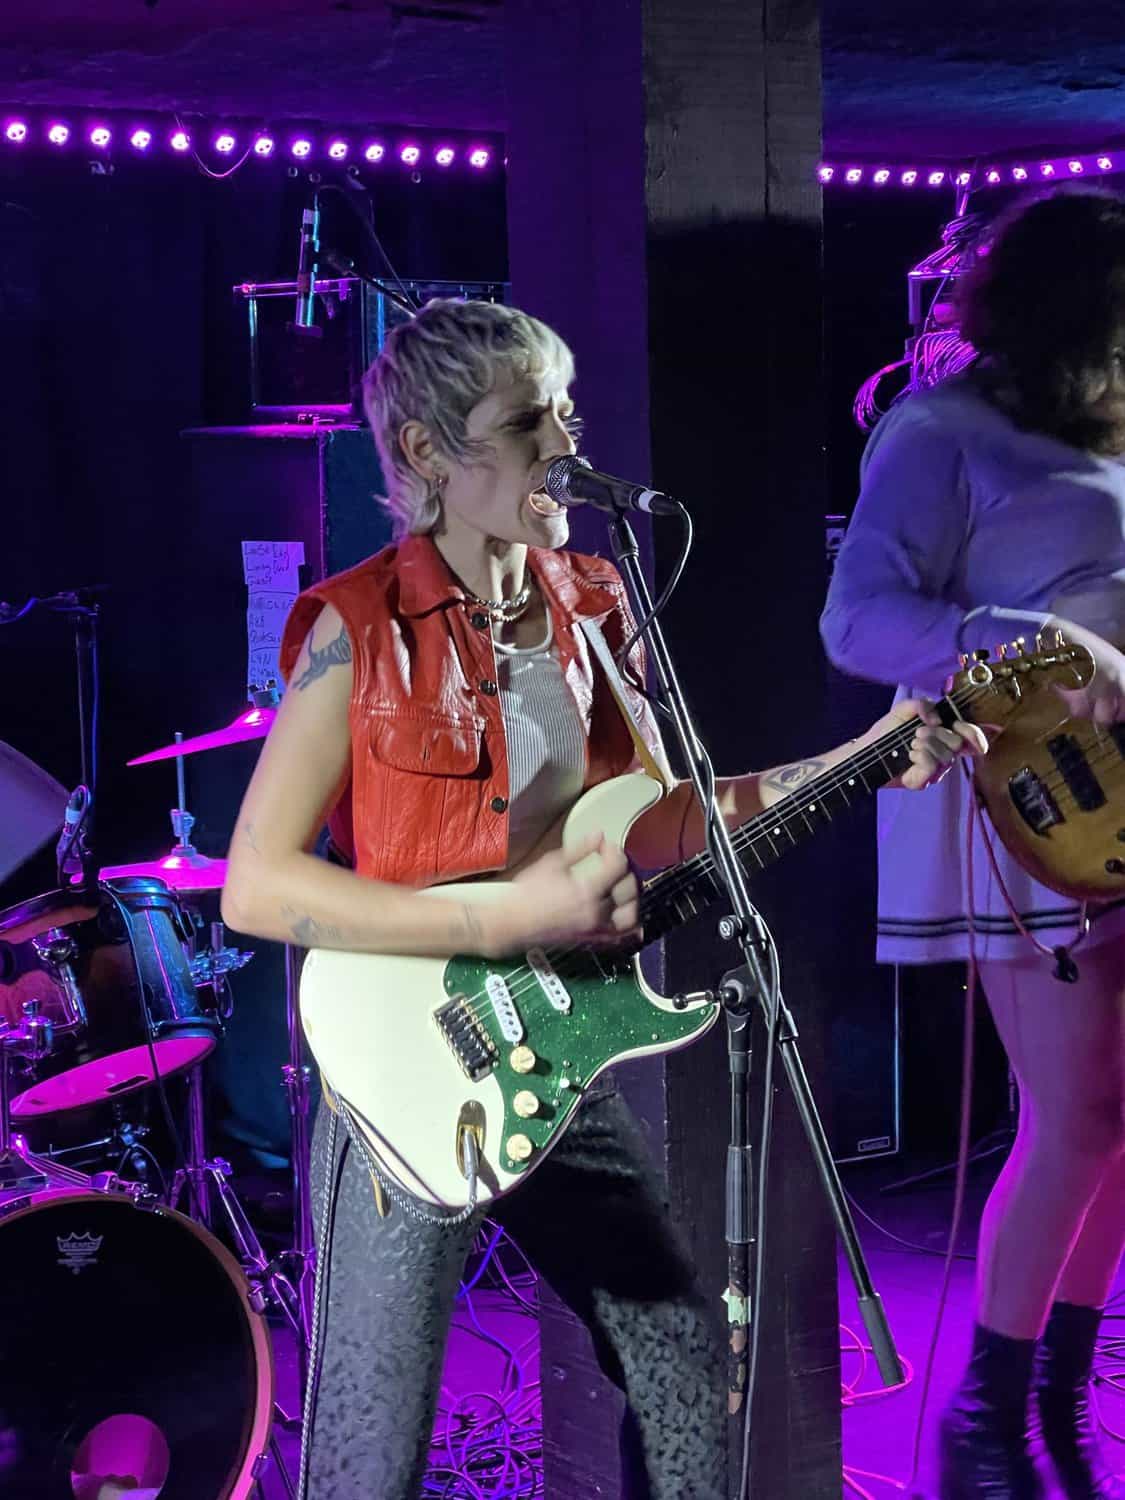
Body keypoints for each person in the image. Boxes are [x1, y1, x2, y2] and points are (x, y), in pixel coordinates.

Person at [221, 297, 982, 1500]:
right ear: (427, 453)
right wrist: (504, 919)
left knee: (682, 1354)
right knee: (370, 1456)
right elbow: (256, 886)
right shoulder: (357, 629)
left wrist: (866, 757)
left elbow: (669, 818)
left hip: (551, 1056)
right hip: (403, 1078)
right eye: (530, 420)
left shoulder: (592, 602)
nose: (567, 443)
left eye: (567, 410)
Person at [821, 189, 1125, 1500]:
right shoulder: (942, 428)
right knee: (1078, 1112)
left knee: (1121, 1121)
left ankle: (1054, 1401)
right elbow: (856, 617)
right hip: (1026, 791)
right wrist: (1028, 647)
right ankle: (983, 1425)